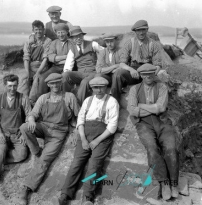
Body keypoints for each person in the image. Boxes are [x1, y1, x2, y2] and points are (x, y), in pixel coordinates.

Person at [55, 76, 119, 205]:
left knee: (94, 164)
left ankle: (87, 197)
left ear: (106, 88)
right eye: (95, 88)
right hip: (85, 134)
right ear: (92, 89)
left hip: (103, 136)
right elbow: (80, 120)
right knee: (76, 163)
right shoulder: (88, 100)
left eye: (101, 87)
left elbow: (112, 126)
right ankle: (65, 194)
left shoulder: (112, 102)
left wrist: (97, 141)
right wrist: (83, 139)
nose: (99, 90)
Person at [18, 73, 80, 205]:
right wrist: (31, 120)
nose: (55, 85)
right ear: (48, 85)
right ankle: (36, 151)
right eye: (52, 83)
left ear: (61, 83)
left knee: (45, 160)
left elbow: (79, 115)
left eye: (57, 82)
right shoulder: (43, 98)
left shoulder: (69, 97)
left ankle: (26, 188)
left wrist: (76, 130)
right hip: (44, 127)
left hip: (58, 133)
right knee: (24, 127)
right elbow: (33, 113)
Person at [127, 64, 179, 201]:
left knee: (171, 148)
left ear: (154, 74)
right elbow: (132, 110)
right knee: (152, 148)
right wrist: (153, 108)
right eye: (145, 74)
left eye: (150, 74)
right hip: (144, 124)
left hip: (162, 122)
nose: (148, 76)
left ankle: (174, 183)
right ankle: (164, 182)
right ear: (141, 76)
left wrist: (141, 106)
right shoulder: (134, 89)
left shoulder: (161, 87)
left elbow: (161, 108)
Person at [0, 74, 32, 196]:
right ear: (5, 85)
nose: (12, 89)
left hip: (18, 134)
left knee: (22, 154)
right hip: (3, 133)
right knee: (1, 148)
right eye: (9, 86)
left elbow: (29, 116)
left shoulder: (23, 98)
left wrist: (25, 133)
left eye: (14, 86)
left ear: (17, 85)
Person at [113, 20, 162, 102]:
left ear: (147, 30)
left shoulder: (153, 44)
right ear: (135, 31)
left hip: (148, 71)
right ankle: (115, 102)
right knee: (118, 74)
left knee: (157, 87)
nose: (141, 32)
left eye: (143, 29)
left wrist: (150, 75)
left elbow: (158, 65)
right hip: (133, 71)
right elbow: (122, 63)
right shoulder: (129, 43)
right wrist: (131, 70)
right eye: (139, 30)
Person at [29, 23, 75, 104]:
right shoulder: (54, 43)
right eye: (58, 32)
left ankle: (63, 103)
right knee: (43, 78)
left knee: (64, 80)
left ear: (67, 32)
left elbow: (73, 58)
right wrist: (66, 57)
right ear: (56, 33)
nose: (60, 35)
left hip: (69, 67)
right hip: (55, 67)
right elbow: (50, 57)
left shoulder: (71, 43)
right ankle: (42, 101)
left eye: (63, 32)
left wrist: (57, 58)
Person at [62, 26, 106, 105]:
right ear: (72, 39)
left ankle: (78, 105)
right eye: (75, 37)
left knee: (84, 82)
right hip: (80, 73)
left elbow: (104, 52)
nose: (78, 38)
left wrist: (101, 63)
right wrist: (68, 74)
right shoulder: (72, 49)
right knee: (65, 75)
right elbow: (68, 66)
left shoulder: (92, 44)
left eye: (80, 36)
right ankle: (65, 100)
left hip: (93, 72)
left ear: (83, 36)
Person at [19, 20, 51, 100]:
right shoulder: (29, 42)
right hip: (31, 66)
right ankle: (22, 101)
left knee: (37, 79)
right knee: (24, 78)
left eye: (40, 29)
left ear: (43, 30)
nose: (38, 31)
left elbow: (45, 58)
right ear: (33, 30)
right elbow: (26, 58)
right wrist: (27, 71)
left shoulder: (48, 41)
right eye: (36, 30)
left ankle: (32, 100)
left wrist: (38, 72)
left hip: (42, 67)